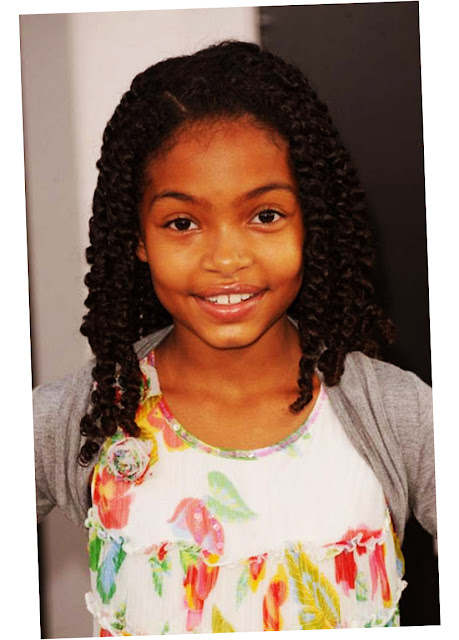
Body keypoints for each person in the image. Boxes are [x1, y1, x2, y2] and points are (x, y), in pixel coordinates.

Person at [33, 40, 436, 635]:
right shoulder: (77, 419)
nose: (227, 258)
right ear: (138, 237)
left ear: (312, 220)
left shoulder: (399, 413)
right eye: (182, 223)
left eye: (265, 215)